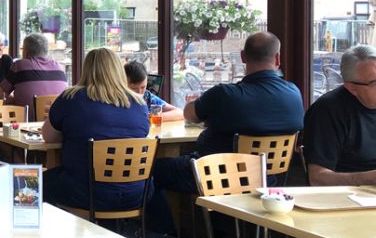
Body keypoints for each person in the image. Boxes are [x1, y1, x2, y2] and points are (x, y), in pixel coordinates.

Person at [154, 32, 303, 195]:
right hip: (266, 180)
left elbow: (189, 114)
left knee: (150, 170)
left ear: (243, 57)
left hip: (214, 176)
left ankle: (165, 222)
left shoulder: (225, 94)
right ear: (278, 58)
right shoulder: (294, 93)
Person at [41, 48, 166, 233]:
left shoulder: (70, 98)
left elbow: (48, 137)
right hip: (137, 194)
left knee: (34, 184)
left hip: (86, 193)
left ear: (86, 69)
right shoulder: (140, 104)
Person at [304, 45, 376, 185]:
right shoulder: (328, 111)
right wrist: (370, 179)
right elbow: (317, 178)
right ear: (352, 88)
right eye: (374, 82)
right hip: (347, 198)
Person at [0, 33, 68, 120]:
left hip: (27, 125)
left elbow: (0, 95)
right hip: (56, 124)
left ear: (25, 51)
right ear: (46, 50)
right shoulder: (59, 67)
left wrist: (15, 99)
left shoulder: (19, 66)